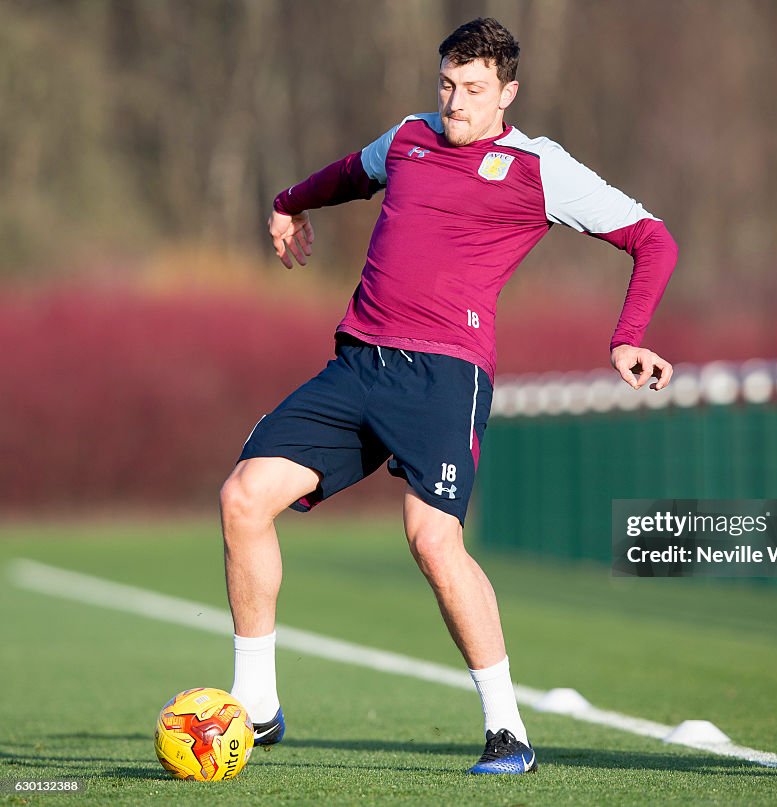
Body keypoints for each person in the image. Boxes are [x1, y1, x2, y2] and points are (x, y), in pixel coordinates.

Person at [220, 17, 677, 775]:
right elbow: (347, 174)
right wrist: (286, 201)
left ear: (507, 94)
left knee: (432, 540)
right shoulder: (408, 138)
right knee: (242, 498)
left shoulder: (539, 166)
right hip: (358, 364)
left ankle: (507, 731)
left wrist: (627, 334)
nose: (455, 103)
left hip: (444, 376)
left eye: (472, 90)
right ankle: (257, 708)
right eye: (447, 85)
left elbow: (653, 238)